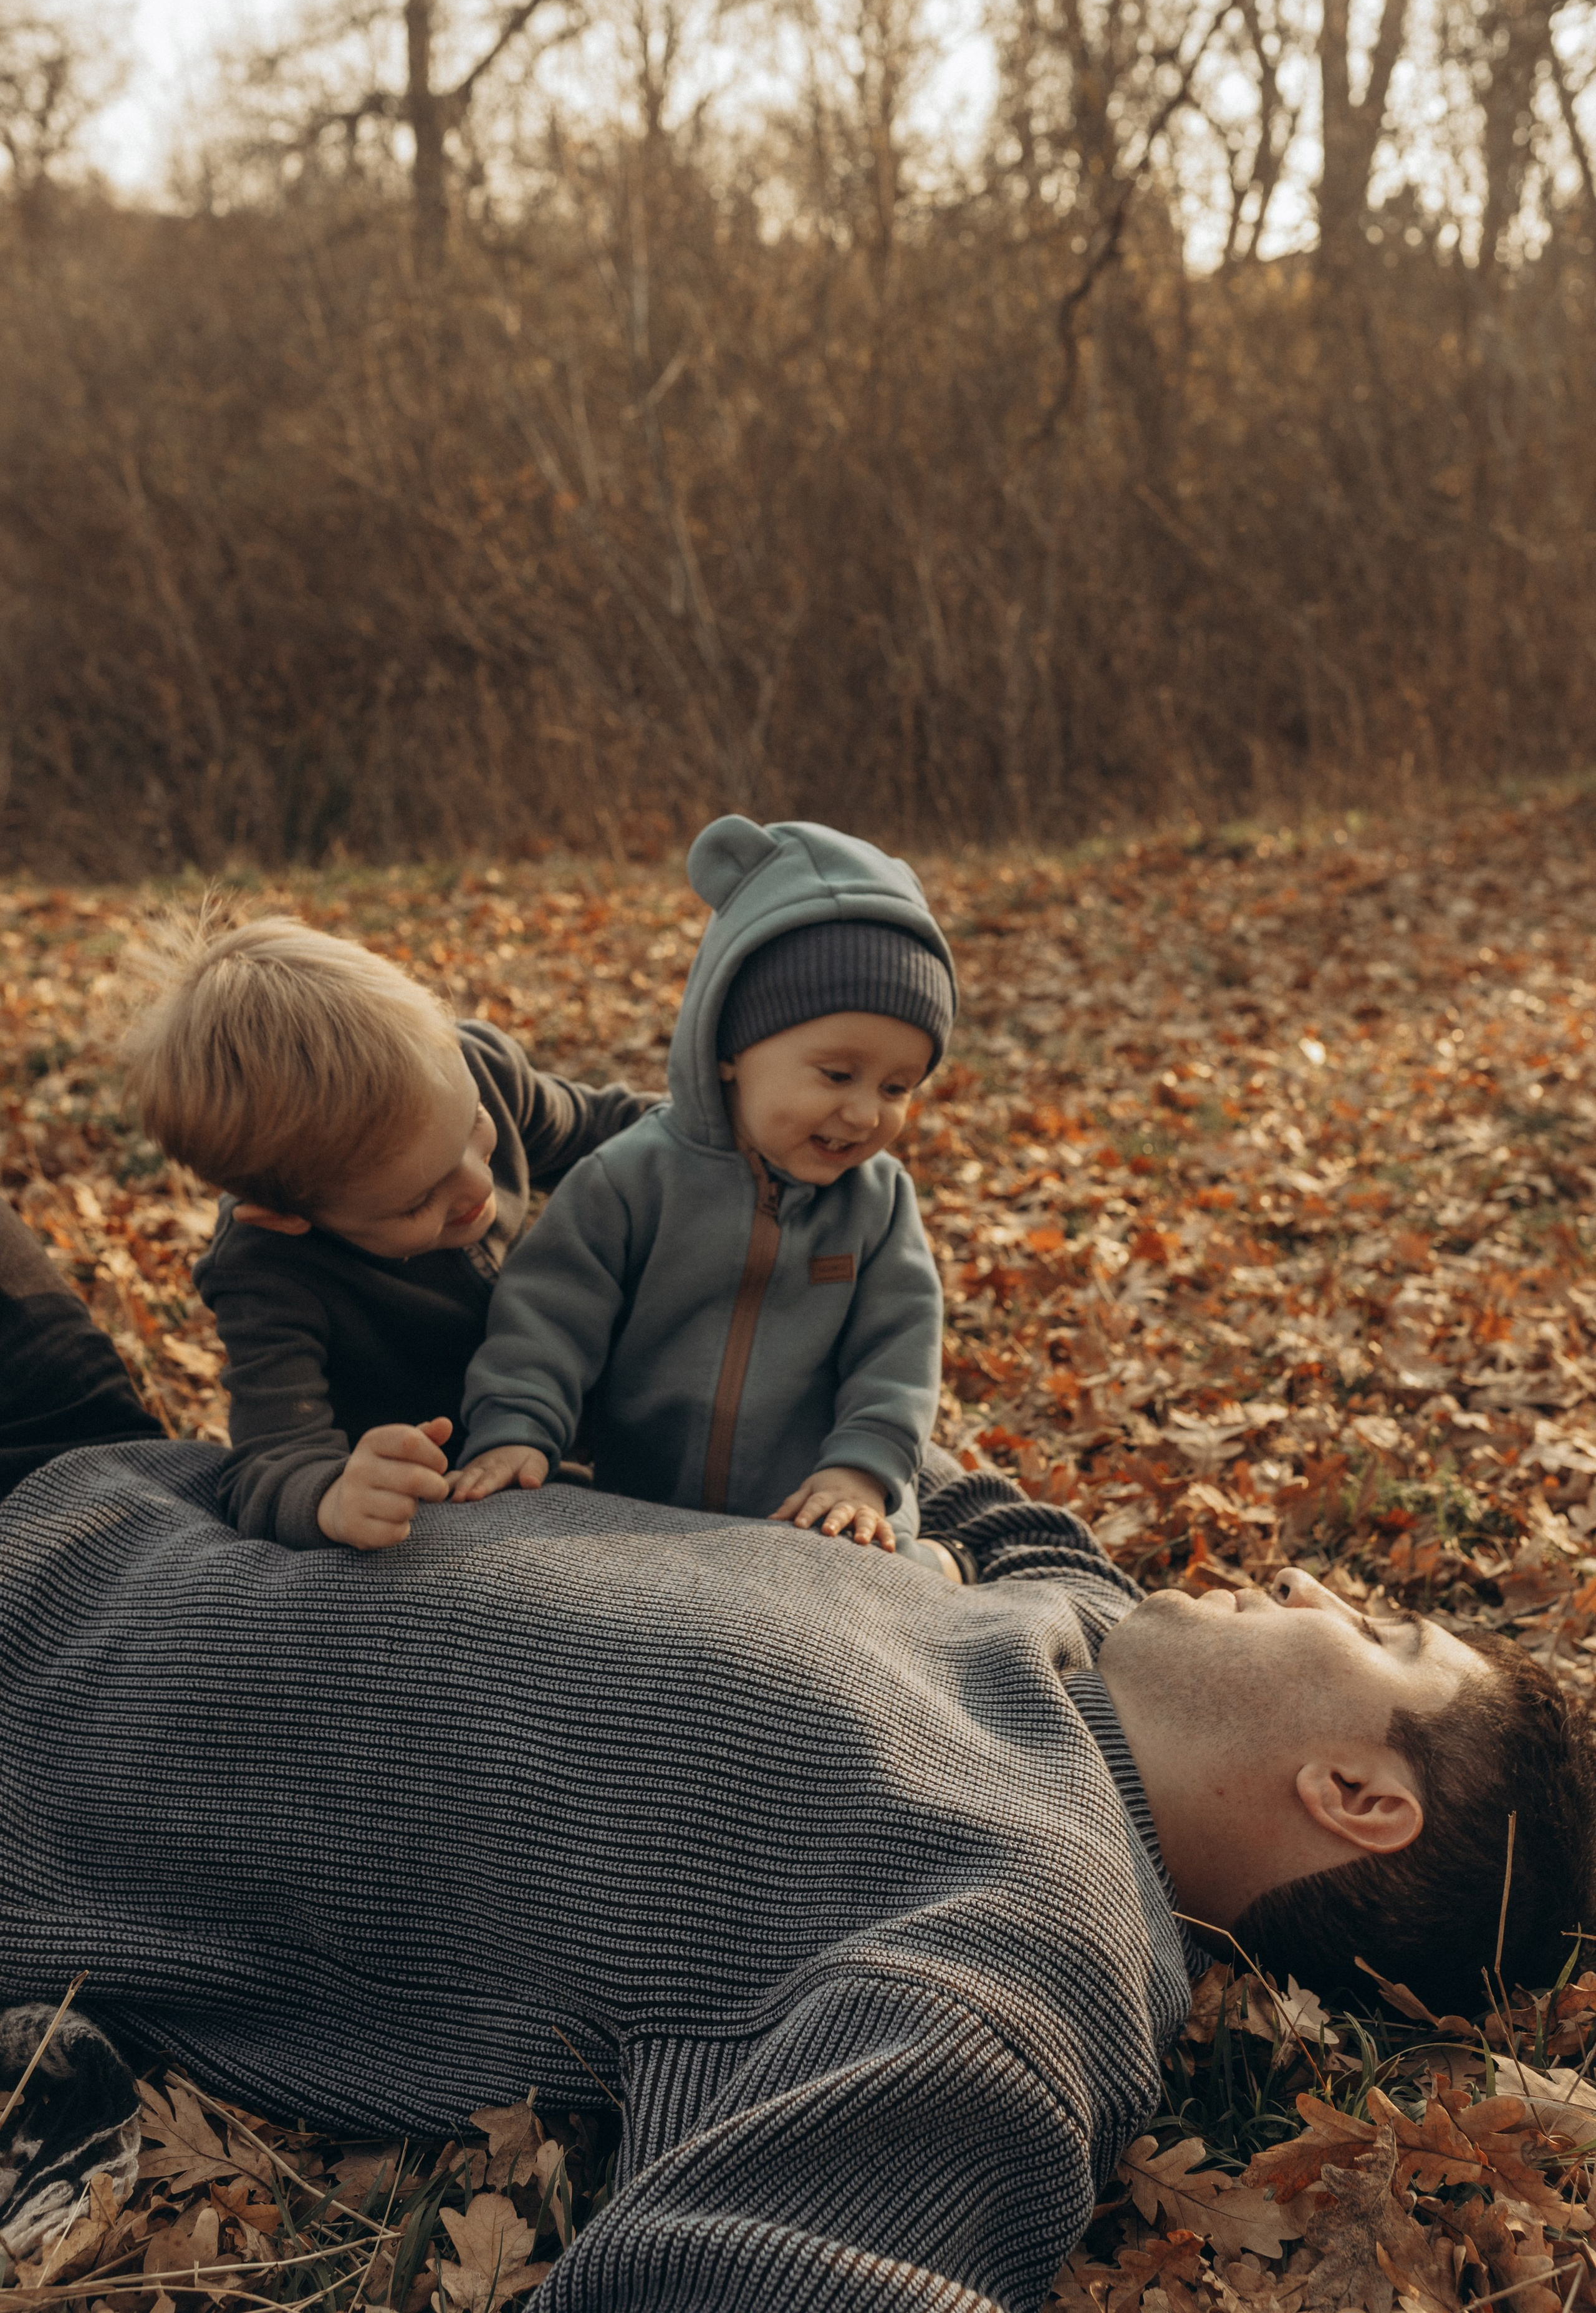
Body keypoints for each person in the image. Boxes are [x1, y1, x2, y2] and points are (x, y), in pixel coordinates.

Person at [0, 1195, 1591, 2311]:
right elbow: (899, 1419)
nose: (1315, 1587)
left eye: (1378, 1637)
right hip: (102, 1467)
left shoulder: (1022, 1942)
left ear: (1357, 1795)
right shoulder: (1061, 1613)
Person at [453, 815, 959, 1573]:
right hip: (644, 1510)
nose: (864, 1113)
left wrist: (863, 1468)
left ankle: (953, 1567)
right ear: (729, 1048)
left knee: (903, 1592)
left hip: (819, 1514)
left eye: (897, 1088)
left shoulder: (877, 1205)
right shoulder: (631, 1180)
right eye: (837, 1075)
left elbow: (898, 1352)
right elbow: (547, 1319)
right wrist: (517, 1429)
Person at [120, 914, 656, 1549]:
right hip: (466, 1496)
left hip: (582, 1397)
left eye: (475, 1127)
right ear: (291, 1217)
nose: (478, 1188)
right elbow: (270, 1464)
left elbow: (623, 1130)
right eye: (419, 1201)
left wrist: (732, 1124)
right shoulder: (267, 1274)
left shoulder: (481, 1071)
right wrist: (335, 1497)